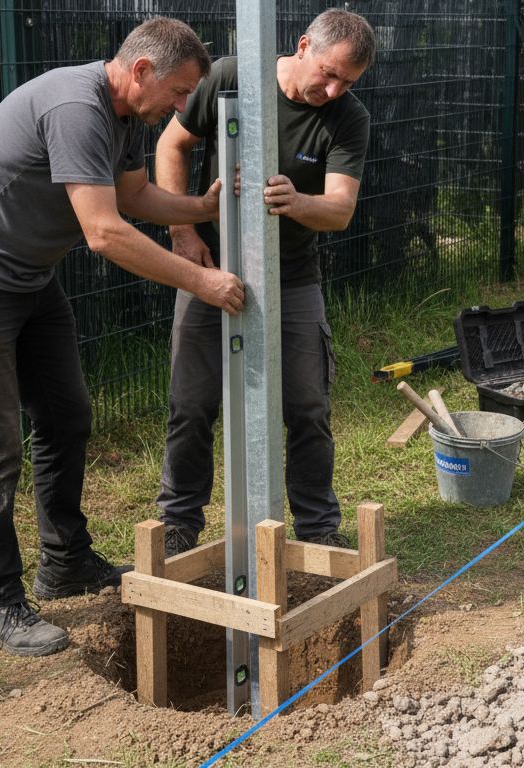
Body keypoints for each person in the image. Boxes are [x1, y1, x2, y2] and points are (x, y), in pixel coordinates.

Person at [0, 17, 244, 657]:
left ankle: (65, 561)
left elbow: (134, 194)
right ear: (141, 71)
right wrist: (201, 282)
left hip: (27, 276)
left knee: (66, 416)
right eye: (179, 93)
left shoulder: (126, 114)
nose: (183, 108)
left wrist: (200, 210)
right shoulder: (77, 107)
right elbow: (104, 231)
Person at [154, 9, 375, 556]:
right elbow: (170, 146)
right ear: (302, 46)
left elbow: (340, 209)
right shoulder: (231, 76)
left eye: (347, 82)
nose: (333, 90)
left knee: (308, 407)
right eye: (329, 73)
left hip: (292, 278)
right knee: (191, 403)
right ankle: (179, 525)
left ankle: (317, 529)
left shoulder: (348, 118)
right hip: (209, 268)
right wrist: (183, 233)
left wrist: (297, 202)